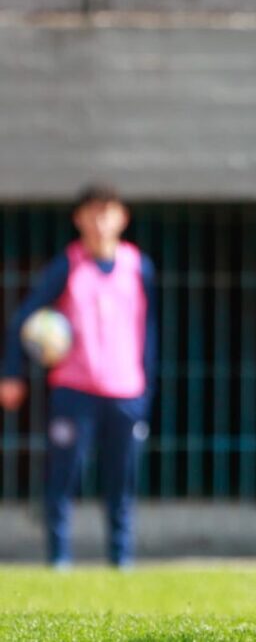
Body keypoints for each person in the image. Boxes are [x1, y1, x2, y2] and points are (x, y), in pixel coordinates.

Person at [0, 183, 157, 568]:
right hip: (74, 390)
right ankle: (60, 561)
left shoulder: (139, 267)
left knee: (121, 482)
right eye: (92, 213)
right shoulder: (68, 265)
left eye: (108, 212)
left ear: (122, 218)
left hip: (126, 392)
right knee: (64, 479)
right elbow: (24, 317)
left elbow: (148, 330)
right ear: (78, 219)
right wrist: (12, 373)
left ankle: (121, 561)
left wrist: (147, 387)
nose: (100, 221)